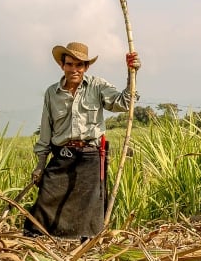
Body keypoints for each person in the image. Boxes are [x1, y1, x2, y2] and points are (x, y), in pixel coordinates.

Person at [25, 42, 141, 238]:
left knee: (89, 211)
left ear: (86, 67)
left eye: (79, 65)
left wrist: (132, 74)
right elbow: (46, 131)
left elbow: (124, 103)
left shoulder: (97, 86)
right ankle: (44, 241)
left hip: (90, 157)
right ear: (62, 65)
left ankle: (84, 246)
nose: (74, 69)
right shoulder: (52, 93)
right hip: (62, 155)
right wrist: (40, 164)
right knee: (45, 202)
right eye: (70, 64)